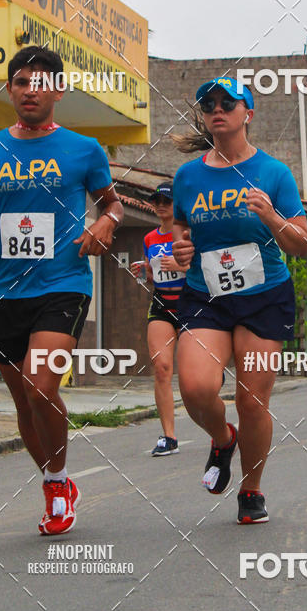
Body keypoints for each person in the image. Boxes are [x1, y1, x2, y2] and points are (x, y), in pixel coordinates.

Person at [0, 46, 123, 533]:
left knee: (41, 387)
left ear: (58, 91)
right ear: (10, 90)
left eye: (40, 83)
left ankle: (60, 481)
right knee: (23, 400)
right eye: (21, 82)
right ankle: (50, 480)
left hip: (62, 283)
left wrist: (107, 222)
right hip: (0, 290)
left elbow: (113, 205)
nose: (30, 90)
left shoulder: (85, 150)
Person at [171, 76, 307, 524]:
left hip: (264, 297)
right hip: (206, 296)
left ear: (247, 113)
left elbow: (301, 245)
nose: (217, 109)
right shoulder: (188, 176)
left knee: (251, 400)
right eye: (209, 103)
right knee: (194, 388)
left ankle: (251, 489)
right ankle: (221, 436)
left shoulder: (274, 173)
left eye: (228, 103)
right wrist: (181, 248)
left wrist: (271, 215)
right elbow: (180, 227)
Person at [130, 182, 187, 456]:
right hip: (162, 305)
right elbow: (153, 277)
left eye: (166, 200)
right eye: (156, 200)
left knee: (193, 377)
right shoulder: (150, 238)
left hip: (191, 307)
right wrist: (143, 271)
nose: (160, 204)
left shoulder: (189, 233)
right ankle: (168, 437)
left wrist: (183, 265)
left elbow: (208, 266)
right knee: (162, 369)